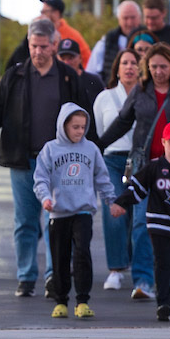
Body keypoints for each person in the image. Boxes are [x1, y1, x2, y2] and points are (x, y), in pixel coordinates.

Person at [0, 17, 91, 298]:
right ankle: (26, 277)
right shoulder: (15, 76)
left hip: (59, 163)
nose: (37, 52)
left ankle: (54, 276)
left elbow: (83, 118)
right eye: (33, 46)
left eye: (43, 46)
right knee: (25, 221)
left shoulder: (67, 78)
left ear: (54, 45)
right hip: (23, 160)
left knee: (58, 220)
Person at [97, 42, 170, 301]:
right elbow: (122, 121)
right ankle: (143, 281)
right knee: (144, 222)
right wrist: (97, 146)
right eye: (153, 67)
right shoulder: (141, 91)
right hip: (147, 168)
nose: (158, 72)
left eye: (163, 67)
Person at [111, 120, 170, 321]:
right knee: (163, 263)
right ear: (163, 143)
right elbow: (136, 188)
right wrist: (120, 203)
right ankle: (163, 304)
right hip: (159, 224)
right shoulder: (154, 167)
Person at [34, 104, 115, 319]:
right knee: (60, 258)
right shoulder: (50, 149)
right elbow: (40, 178)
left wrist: (111, 200)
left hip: (83, 212)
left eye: (83, 127)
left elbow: (102, 178)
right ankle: (61, 301)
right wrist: (46, 198)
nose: (79, 131)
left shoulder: (91, 149)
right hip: (59, 212)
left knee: (82, 254)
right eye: (75, 127)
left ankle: (82, 300)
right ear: (64, 126)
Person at [92, 48, 141, 291]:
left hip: (140, 160)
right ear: (117, 68)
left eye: (134, 63)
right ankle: (115, 269)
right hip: (112, 159)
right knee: (113, 211)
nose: (130, 67)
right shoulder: (104, 97)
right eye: (125, 63)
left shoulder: (147, 96)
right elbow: (102, 131)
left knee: (137, 214)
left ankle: (134, 264)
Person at [5, 0, 91, 72]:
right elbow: (15, 60)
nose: (41, 15)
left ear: (56, 13)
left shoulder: (71, 35)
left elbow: (88, 61)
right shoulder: (37, 33)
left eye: (44, 12)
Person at [87, 0, 142, 83]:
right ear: (119, 19)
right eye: (125, 18)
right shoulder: (106, 42)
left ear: (139, 18)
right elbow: (92, 72)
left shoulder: (149, 40)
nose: (130, 23)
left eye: (133, 17)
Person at [58, 38, 106, 123]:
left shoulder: (94, 81)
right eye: (63, 58)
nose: (66, 62)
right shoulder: (55, 82)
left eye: (71, 58)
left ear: (80, 58)